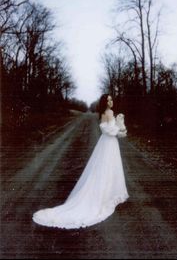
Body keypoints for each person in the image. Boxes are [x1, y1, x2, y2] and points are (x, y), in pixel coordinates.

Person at [32, 94, 129, 229]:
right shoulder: (108, 112)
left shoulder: (105, 112)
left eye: (111, 99)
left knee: (107, 168)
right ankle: (105, 196)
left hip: (109, 143)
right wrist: (118, 126)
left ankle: (108, 194)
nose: (111, 102)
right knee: (107, 167)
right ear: (105, 103)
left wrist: (119, 126)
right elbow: (107, 130)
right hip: (108, 142)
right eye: (108, 100)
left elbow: (112, 130)